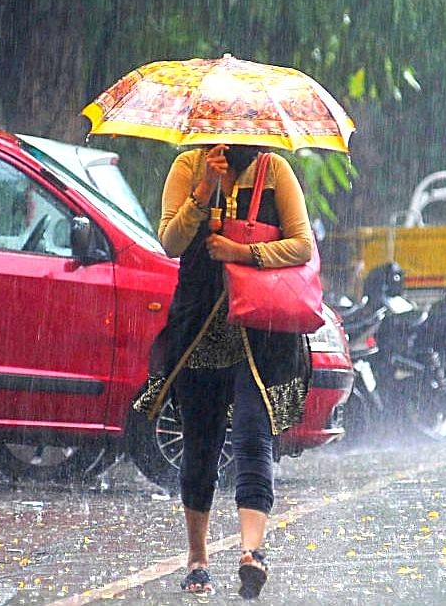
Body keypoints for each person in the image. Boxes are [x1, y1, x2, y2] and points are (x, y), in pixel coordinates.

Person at [133, 143, 314, 598]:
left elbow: (302, 245)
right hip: (199, 330)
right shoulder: (188, 165)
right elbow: (170, 243)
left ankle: (253, 551)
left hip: (260, 334)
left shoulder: (275, 172)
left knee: (254, 436)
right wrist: (202, 192)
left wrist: (242, 251)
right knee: (201, 446)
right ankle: (197, 559)